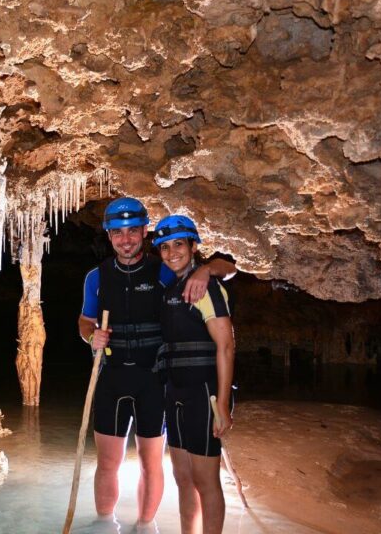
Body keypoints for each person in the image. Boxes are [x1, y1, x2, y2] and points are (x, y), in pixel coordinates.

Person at [78, 198, 235, 529]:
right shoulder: (96, 277)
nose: (125, 239)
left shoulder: (164, 270)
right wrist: (92, 336)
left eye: (132, 231)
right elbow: (84, 321)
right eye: (117, 233)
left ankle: (145, 526)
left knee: (152, 462)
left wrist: (207, 268)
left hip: (155, 381)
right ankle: (104, 524)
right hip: (112, 377)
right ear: (108, 236)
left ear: (144, 232)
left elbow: (225, 268)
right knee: (108, 461)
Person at [154, 214, 235, 534]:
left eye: (179, 244)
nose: (172, 252)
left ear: (193, 246)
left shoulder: (208, 287)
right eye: (164, 247)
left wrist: (224, 404)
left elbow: (226, 347)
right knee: (183, 478)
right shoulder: (170, 287)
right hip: (174, 393)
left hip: (205, 394)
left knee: (206, 480)